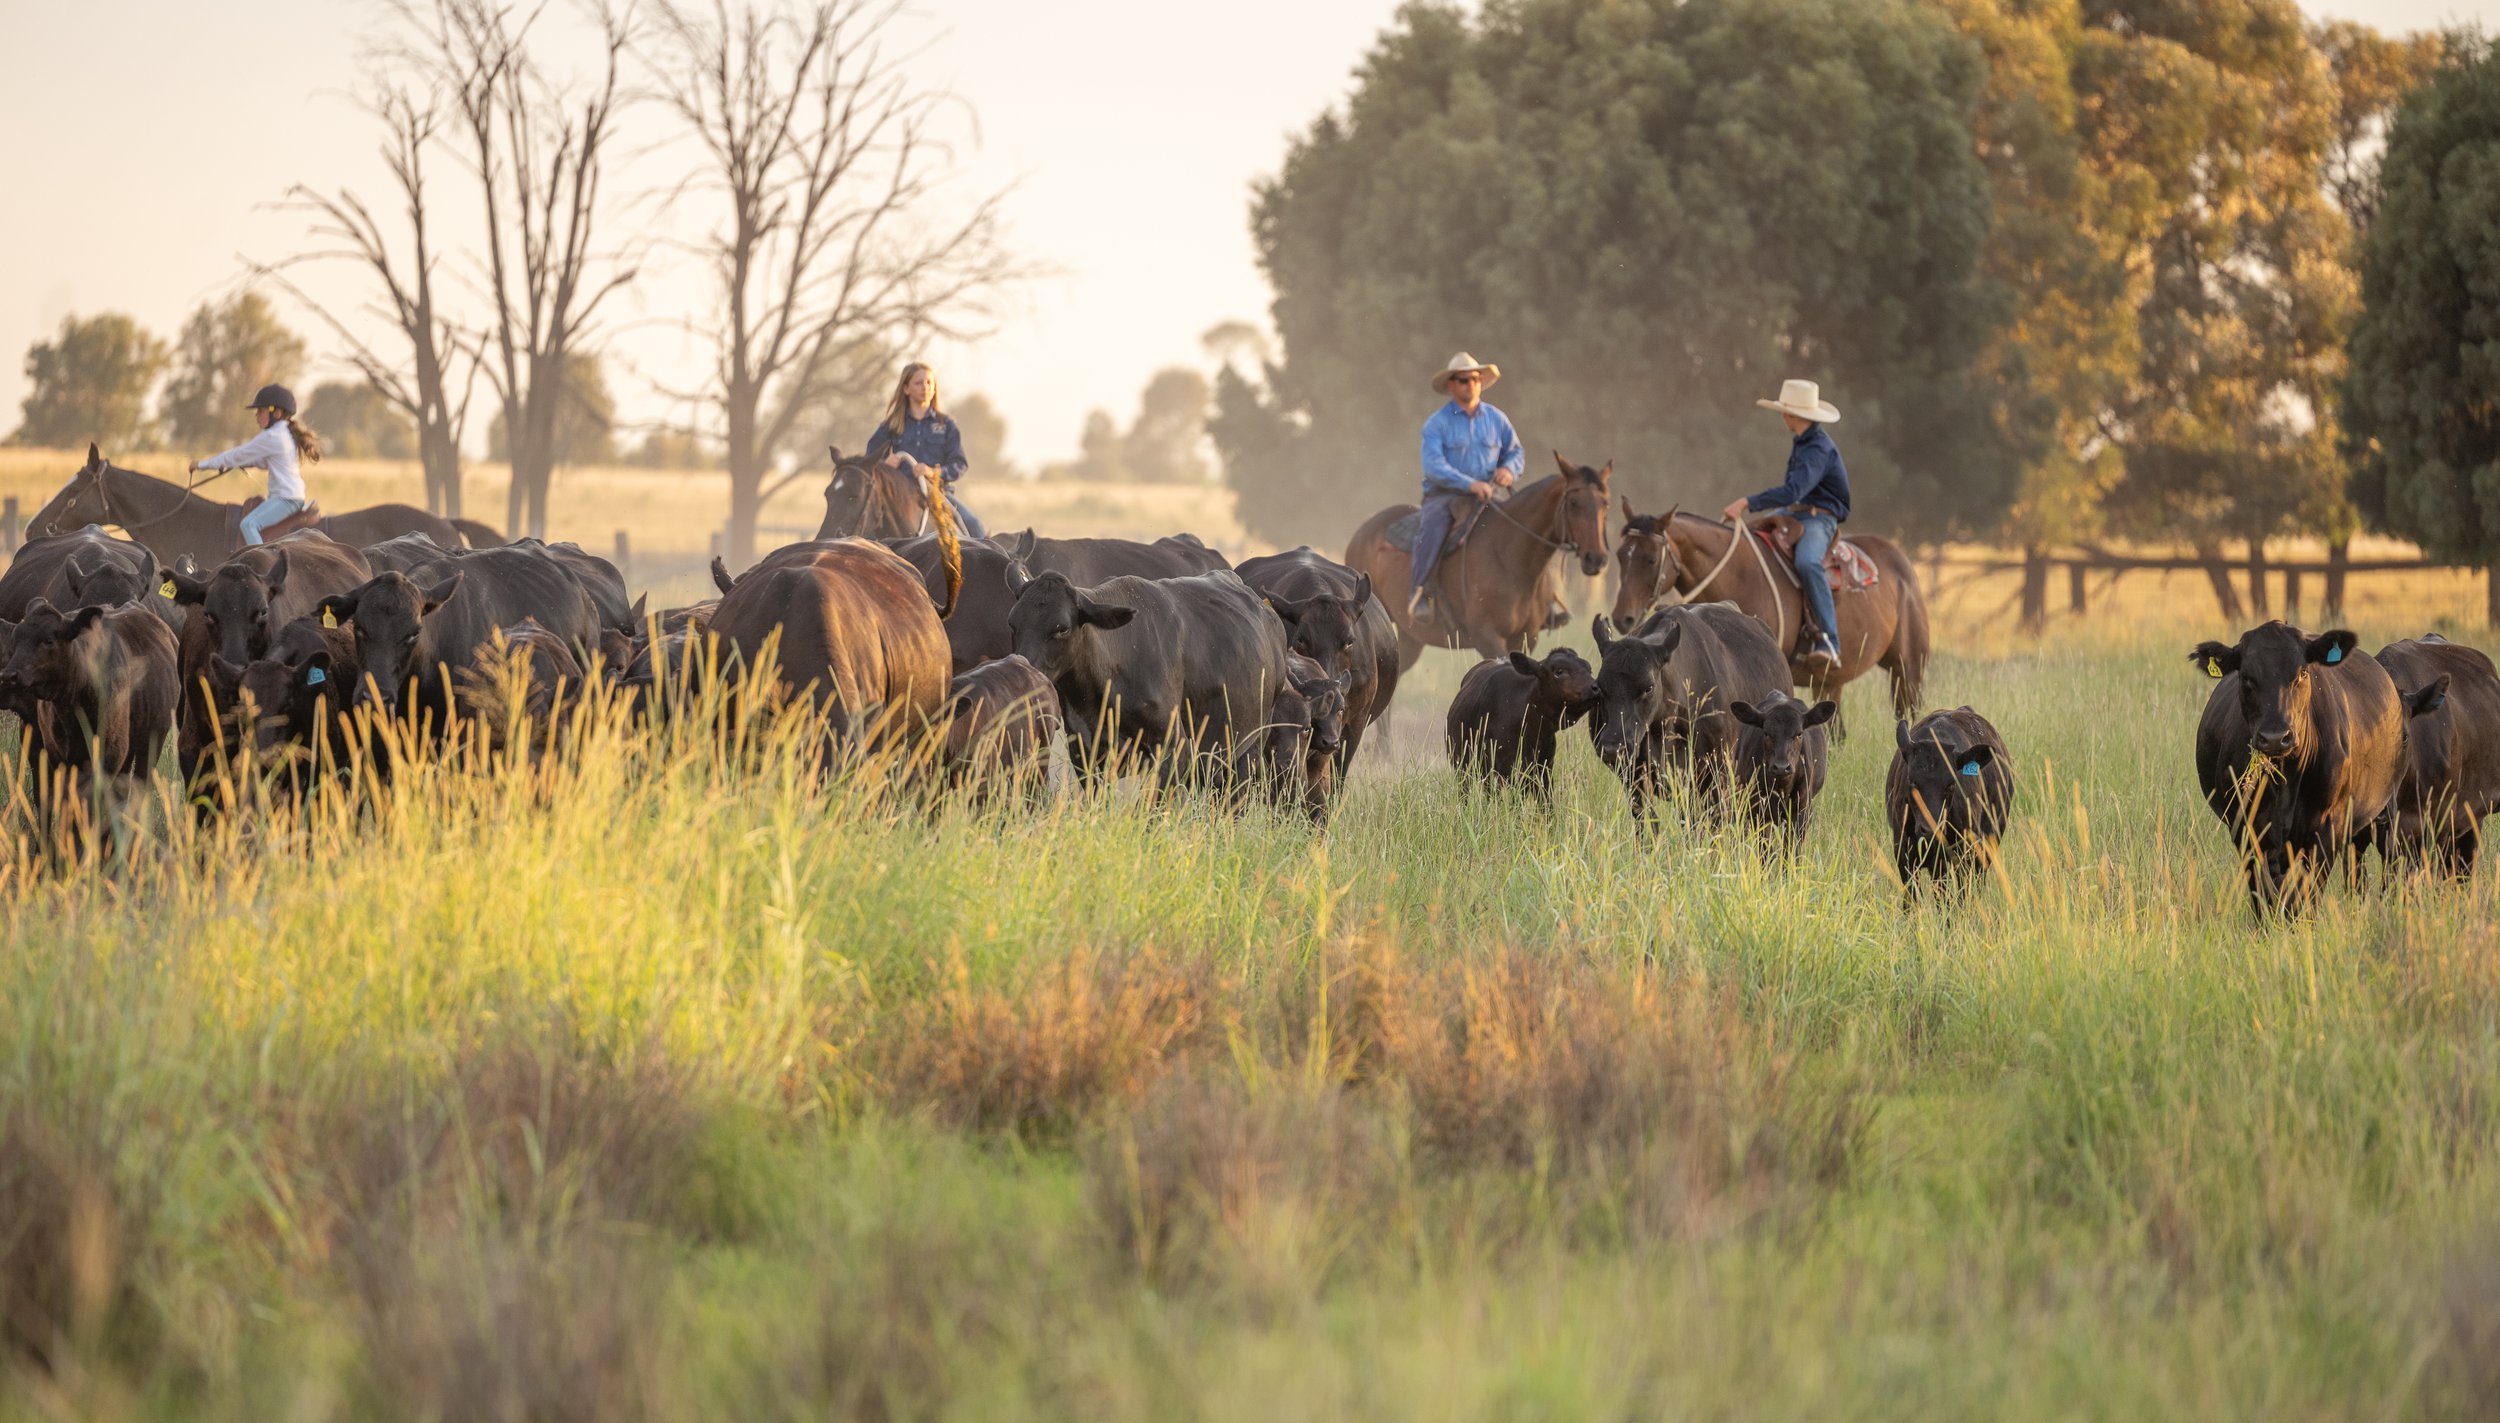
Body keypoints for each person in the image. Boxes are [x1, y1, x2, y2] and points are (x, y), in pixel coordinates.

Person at [1721, 378, 1852, 673]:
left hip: (1820, 517)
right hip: (1796, 512)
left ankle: (1830, 641)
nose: (1782, 416)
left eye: (1784, 411)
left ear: (1792, 415)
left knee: (1807, 562)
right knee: (1753, 540)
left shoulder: (1818, 449)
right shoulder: (1803, 442)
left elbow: (1794, 491)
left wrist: (1747, 502)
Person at [1410, 351, 1523, 620]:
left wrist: (1509, 469)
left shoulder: (1497, 419)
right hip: (1444, 496)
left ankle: (1543, 598)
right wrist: (1470, 484)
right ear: (1451, 385)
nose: (1470, 384)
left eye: (1475, 378)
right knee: (1431, 529)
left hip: (1487, 494)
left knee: (1521, 529)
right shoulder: (1437, 424)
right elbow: (1434, 466)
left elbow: (1515, 452)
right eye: (1463, 380)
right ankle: (1421, 591)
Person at [188, 383, 323, 545]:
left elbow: (237, 454)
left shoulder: (273, 436)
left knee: (249, 524)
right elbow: (262, 462)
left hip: (286, 499)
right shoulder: (284, 433)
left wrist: (202, 464)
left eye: (260, 411)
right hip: (290, 497)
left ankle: (262, 562)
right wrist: (243, 462)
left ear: (277, 413)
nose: (256, 416)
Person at [864, 361, 984, 537]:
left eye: (929, 382)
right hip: (898, 495)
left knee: (974, 526)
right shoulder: (892, 424)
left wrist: (932, 472)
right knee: (864, 535)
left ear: (934, 388)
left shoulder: (946, 424)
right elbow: (870, 459)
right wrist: (885, 464)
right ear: (906, 389)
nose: (925, 387)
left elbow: (959, 464)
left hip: (937, 494)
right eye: (918, 383)